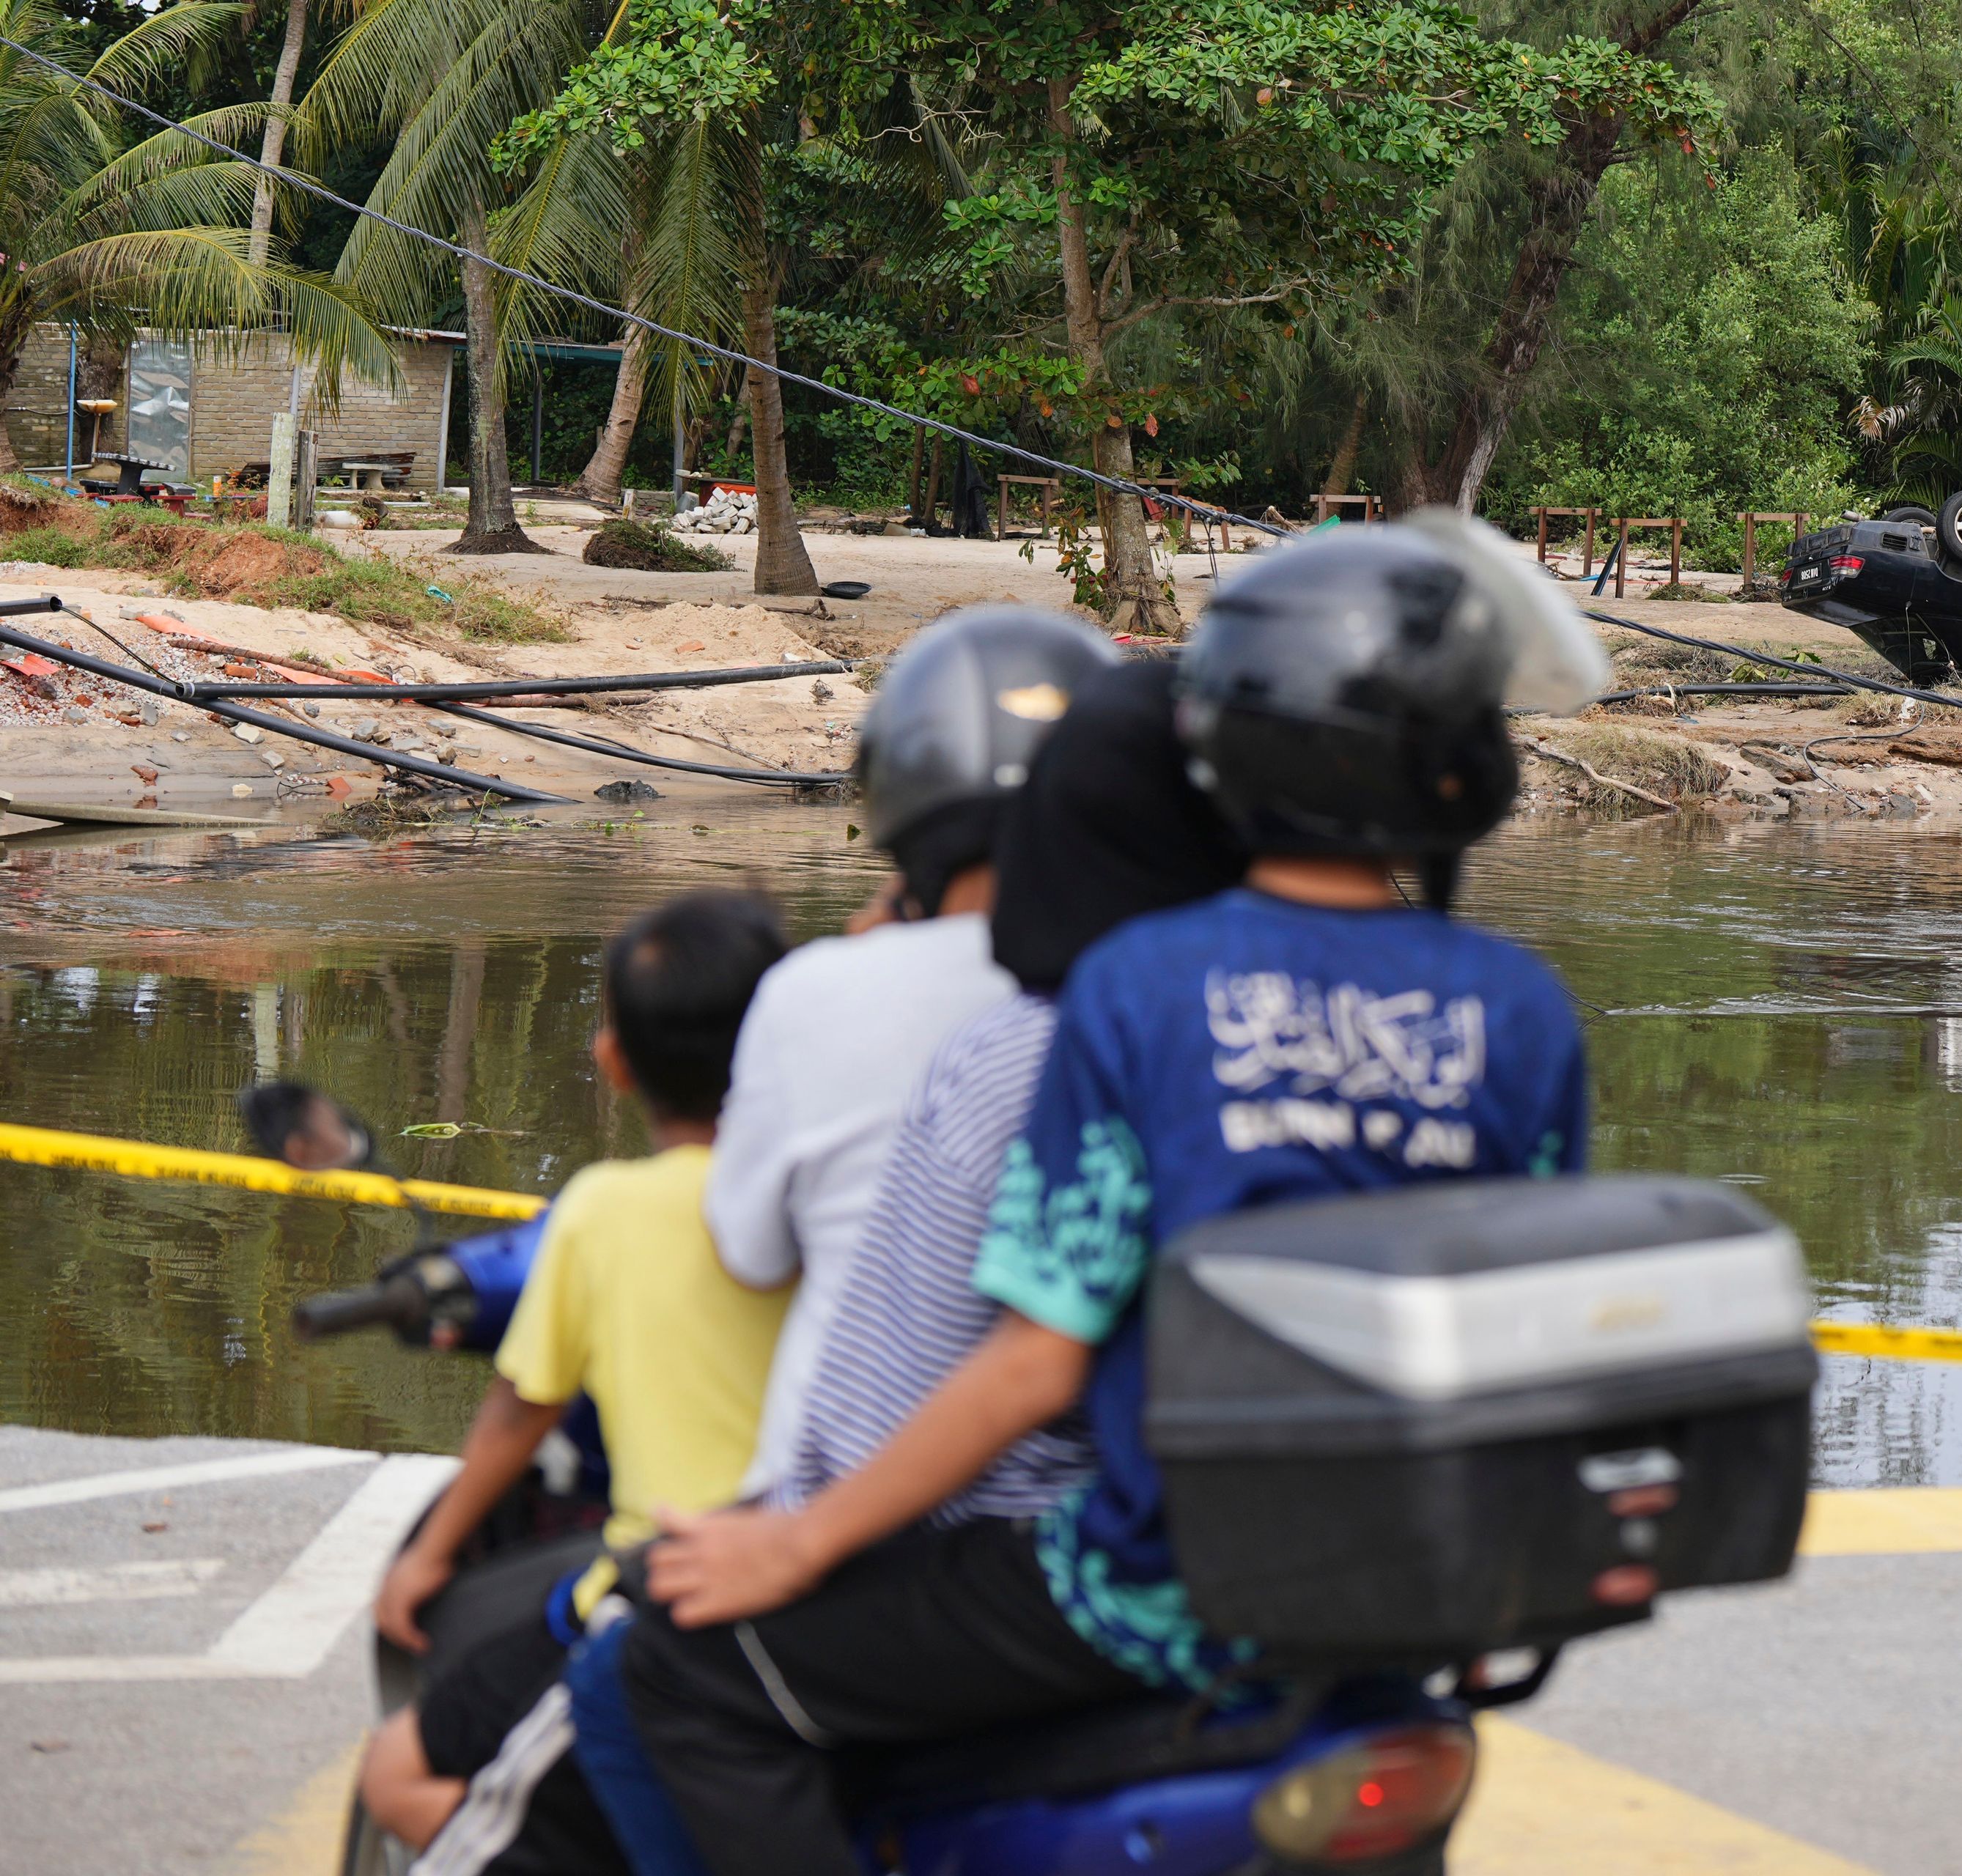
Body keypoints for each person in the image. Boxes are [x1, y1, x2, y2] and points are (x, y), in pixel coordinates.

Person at [608, 516, 1612, 1875]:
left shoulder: (1138, 986)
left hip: (1151, 1591)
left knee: (694, 1672)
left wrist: (797, 1543)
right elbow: (1525, 1322)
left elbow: (1034, 1362)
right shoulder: (1526, 1011)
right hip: (1409, 1592)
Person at [559, 657, 1249, 1876]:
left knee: (646, 1670)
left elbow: (973, 1358)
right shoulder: (1234, 1007)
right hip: (1233, 1532)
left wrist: (806, 1533)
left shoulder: (1001, 1040)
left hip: (990, 1543)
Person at [355, 888, 791, 1876]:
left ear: (613, 1060)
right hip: (837, 1581)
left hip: (656, 1600)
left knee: (395, 1775)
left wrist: (427, 1558)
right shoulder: (836, 1192)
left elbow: (524, 1403)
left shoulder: (602, 1211)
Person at [707, 608, 1117, 1502]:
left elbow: (750, 1250)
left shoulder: (817, 989)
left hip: (836, 1510)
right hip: (1103, 1516)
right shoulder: (1156, 997)